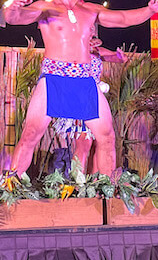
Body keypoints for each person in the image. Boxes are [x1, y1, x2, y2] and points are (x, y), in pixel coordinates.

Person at [4, 0, 158, 175]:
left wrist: (150, 10)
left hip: (85, 79)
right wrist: (12, 8)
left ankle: (106, 190)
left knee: (106, 136)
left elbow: (123, 19)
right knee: (31, 134)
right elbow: (17, 18)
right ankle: (10, 185)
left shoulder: (91, 10)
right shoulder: (46, 7)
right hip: (54, 76)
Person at [51, 33, 127, 174]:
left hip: (95, 99)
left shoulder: (98, 51)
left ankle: (96, 182)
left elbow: (118, 58)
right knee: (84, 143)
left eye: (93, 32)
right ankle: (77, 182)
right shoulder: (70, 48)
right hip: (78, 97)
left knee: (101, 142)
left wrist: (120, 56)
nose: (92, 34)